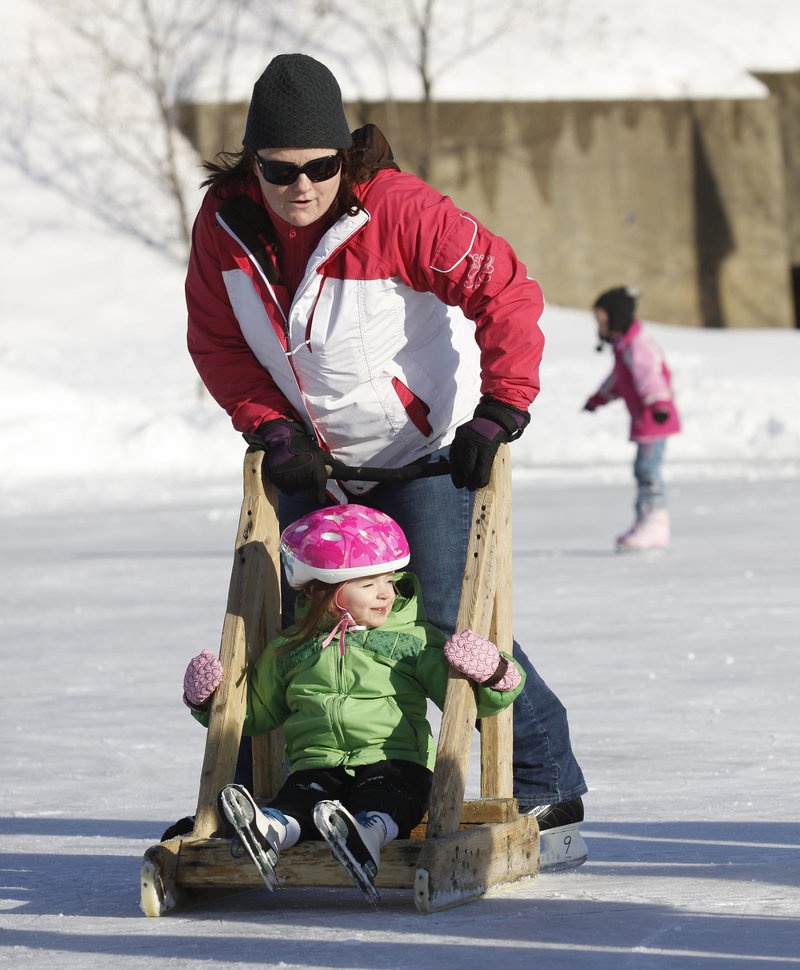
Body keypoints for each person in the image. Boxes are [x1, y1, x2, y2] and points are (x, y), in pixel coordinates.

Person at [185, 52, 587, 865]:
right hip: (308, 460)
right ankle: (268, 800)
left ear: (345, 155)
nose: (302, 187)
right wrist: (271, 428)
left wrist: (500, 408)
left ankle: (549, 783)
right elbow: (217, 342)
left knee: (443, 618)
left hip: (420, 455)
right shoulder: (223, 229)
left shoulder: (401, 213)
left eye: (322, 167)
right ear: (251, 163)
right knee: (289, 625)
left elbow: (506, 290)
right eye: (280, 169)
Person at [181, 505, 525, 902]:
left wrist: (495, 673)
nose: (386, 593)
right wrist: (207, 700)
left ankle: (366, 833)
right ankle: (272, 828)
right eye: (368, 584)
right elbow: (255, 714)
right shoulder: (289, 651)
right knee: (300, 796)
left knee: (388, 795)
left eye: (389, 580)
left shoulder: (410, 640)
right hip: (317, 764)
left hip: (396, 761)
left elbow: (467, 705)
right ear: (323, 589)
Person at [583, 286, 681, 551]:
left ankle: (657, 522)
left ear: (616, 318)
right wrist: (597, 399)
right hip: (646, 419)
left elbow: (649, 375)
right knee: (642, 471)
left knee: (648, 471)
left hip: (655, 418)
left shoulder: (637, 346)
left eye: (602, 322)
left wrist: (659, 402)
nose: (600, 327)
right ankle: (645, 520)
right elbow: (617, 380)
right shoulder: (624, 345)